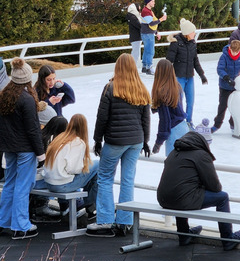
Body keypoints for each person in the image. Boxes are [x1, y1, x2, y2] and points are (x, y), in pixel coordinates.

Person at [87, 53, 151, 237]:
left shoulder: (110, 88)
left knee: (105, 177)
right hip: (136, 141)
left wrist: (97, 140)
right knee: (128, 180)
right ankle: (125, 222)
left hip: (115, 141)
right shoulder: (141, 89)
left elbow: (102, 118)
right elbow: (146, 119)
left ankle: (106, 221)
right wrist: (145, 141)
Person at [156, 131, 240, 250]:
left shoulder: (174, 153)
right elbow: (215, 187)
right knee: (223, 198)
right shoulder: (201, 155)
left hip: (163, 199)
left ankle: (184, 235)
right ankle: (228, 239)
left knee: (181, 192)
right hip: (181, 200)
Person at [0, 58, 45, 239]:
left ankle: (4, 221)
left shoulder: (4, 95)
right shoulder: (26, 99)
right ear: (27, 78)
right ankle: (21, 225)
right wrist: (41, 154)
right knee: (22, 186)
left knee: (10, 183)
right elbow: (33, 130)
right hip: (25, 148)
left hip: (8, 146)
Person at [43, 114, 99, 215]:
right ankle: (90, 205)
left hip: (49, 183)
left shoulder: (59, 139)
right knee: (98, 165)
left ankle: (89, 204)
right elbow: (74, 169)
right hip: (61, 186)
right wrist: (83, 164)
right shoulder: (78, 142)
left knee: (93, 170)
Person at [166, 18, 207, 126]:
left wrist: (202, 75)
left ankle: (189, 122)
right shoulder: (175, 43)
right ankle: (179, 122)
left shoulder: (193, 43)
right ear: (187, 33)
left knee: (190, 101)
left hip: (190, 77)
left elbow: (195, 61)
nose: (194, 33)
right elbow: (168, 61)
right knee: (178, 101)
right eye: (193, 32)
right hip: (179, 77)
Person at [211, 40, 240, 134]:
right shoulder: (224, 56)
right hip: (225, 86)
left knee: (236, 106)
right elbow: (220, 69)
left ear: (239, 50)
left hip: (236, 86)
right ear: (230, 48)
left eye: (237, 52)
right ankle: (217, 125)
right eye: (233, 51)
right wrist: (227, 78)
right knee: (223, 106)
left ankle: (233, 122)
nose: (235, 53)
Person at [151, 59, 188, 156]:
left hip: (174, 132)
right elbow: (175, 108)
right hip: (184, 128)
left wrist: (158, 143)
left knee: (173, 166)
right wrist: (156, 107)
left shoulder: (162, 92)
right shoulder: (177, 87)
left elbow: (165, 121)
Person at [140, 0, 167, 75]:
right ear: (148, 2)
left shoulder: (148, 11)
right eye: (152, 1)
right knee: (150, 51)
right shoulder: (146, 11)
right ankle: (149, 68)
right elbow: (151, 23)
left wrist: (156, 32)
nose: (154, 2)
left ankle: (144, 67)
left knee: (146, 50)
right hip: (148, 34)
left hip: (147, 33)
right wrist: (161, 19)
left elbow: (150, 24)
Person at [127, 3, 143, 68]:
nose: (140, 8)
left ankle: (132, 67)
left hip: (135, 37)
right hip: (136, 37)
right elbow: (139, 25)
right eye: (139, 7)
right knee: (136, 54)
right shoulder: (133, 17)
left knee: (135, 53)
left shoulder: (132, 16)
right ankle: (132, 68)